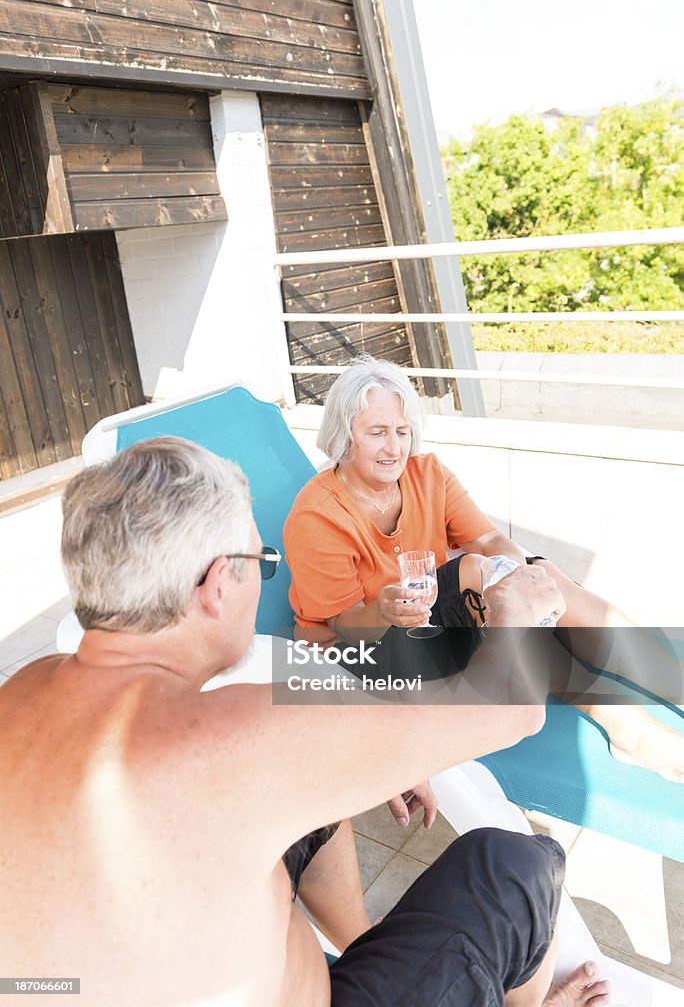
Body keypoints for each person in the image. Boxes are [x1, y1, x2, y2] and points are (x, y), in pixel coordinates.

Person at [0, 436, 610, 1007]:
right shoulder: (232, 737)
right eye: (261, 562)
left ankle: (363, 943)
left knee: (312, 810)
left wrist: (370, 752)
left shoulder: (25, 686)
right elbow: (514, 708)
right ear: (217, 586)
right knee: (518, 866)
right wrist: (517, 610)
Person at [283, 355, 683, 784]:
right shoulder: (317, 518)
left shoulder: (426, 474)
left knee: (536, 575)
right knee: (476, 577)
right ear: (344, 437)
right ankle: (634, 733)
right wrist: (383, 610)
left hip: (428, 624)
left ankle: (667, 684)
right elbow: (344, 627)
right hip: (359, 656)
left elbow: (491, 541)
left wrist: (527, 578)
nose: (395, 448)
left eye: (402, 432)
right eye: (377, 433)